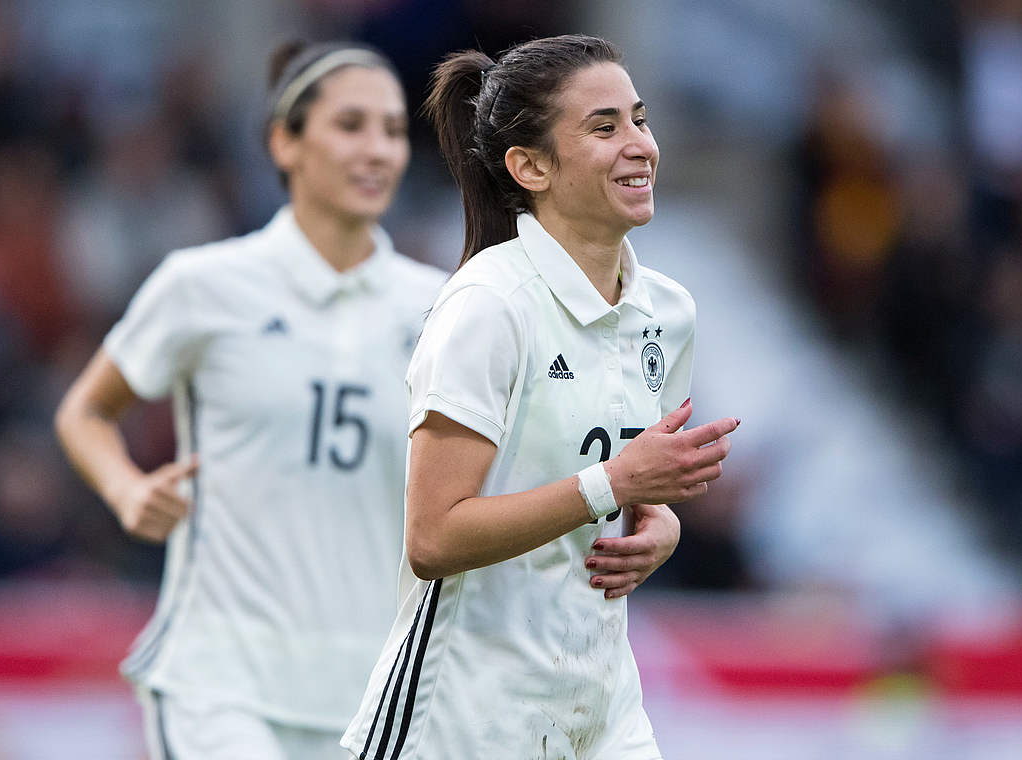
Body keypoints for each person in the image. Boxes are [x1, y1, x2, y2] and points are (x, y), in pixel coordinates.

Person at [54, 39, 683, 760]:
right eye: (350, 126)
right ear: (284, 143)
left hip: (371, 683)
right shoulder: (205, 286)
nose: (378, 150)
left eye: (391, 130)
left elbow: (540, 478)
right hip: (222, 678)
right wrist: (126, 488)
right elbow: (85, 410)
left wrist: (653, 519)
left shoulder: (440, 304)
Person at [341, 34, 738, 760]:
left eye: (640, 120)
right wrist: (611, 485)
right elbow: (433, 539)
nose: (640, 145)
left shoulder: (667, 312)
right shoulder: (488, 306)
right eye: (604, 126)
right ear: (530, 167)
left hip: (602, 708)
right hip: (465, 719)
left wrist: (662, 528)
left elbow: (640, 491)